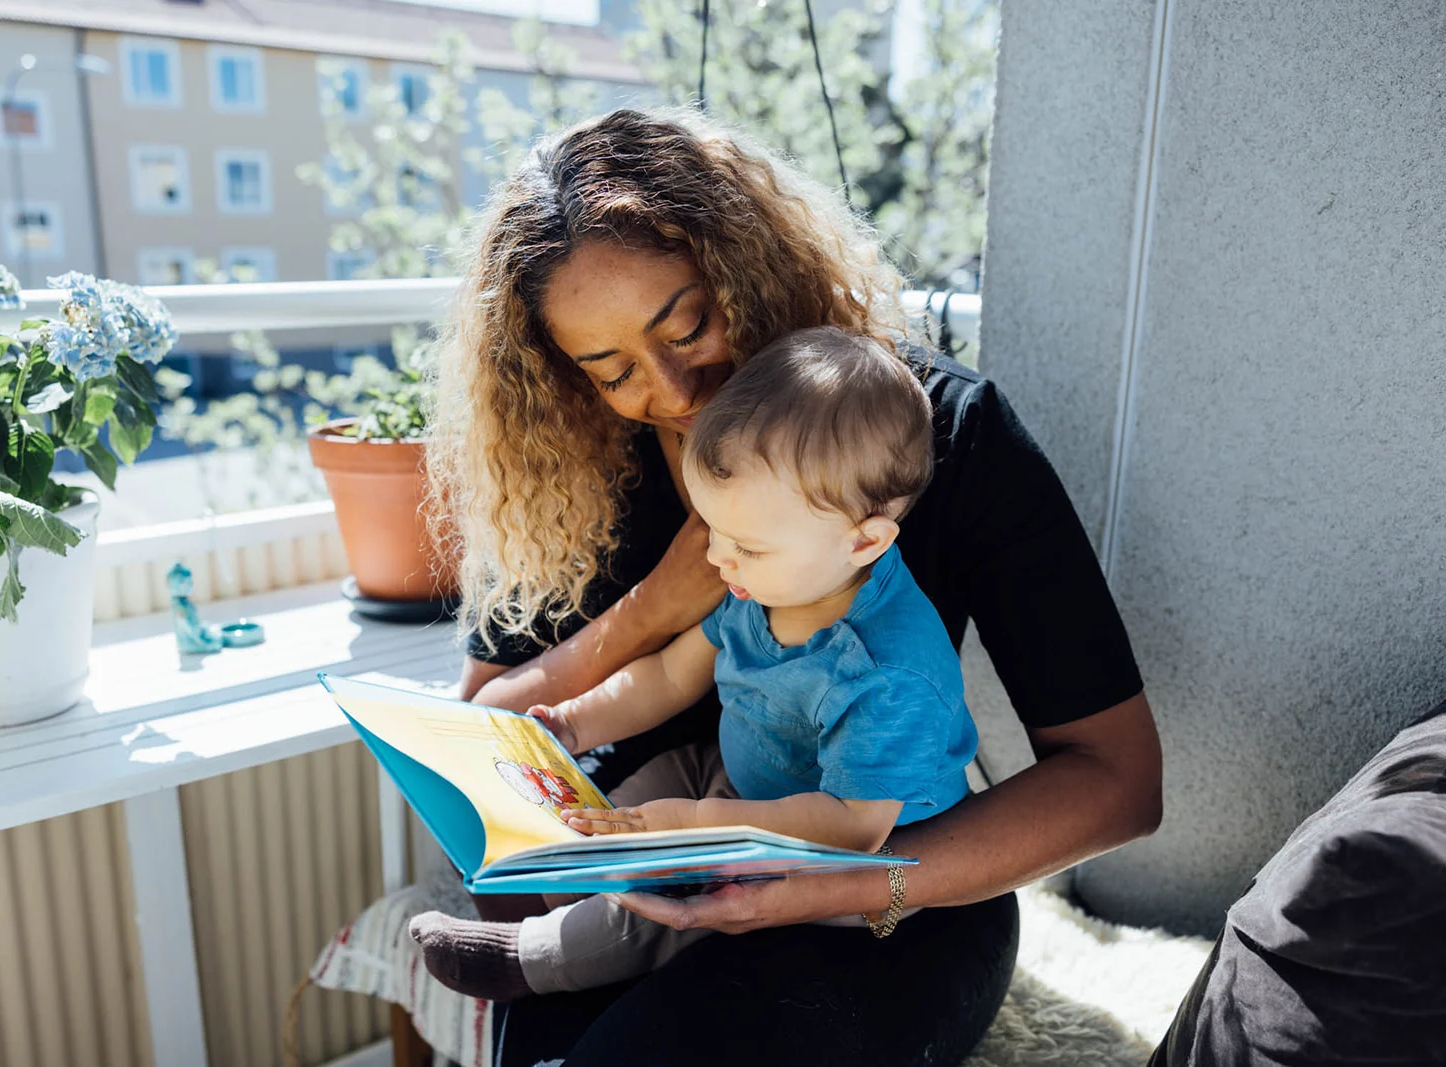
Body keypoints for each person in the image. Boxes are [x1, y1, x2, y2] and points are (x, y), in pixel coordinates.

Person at [424, 107, 1163, 1066]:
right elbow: (484, 720)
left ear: (746, 262)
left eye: (688, 324)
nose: (675, 391)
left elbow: (1119, 782)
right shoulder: (576, 461)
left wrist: (855, 883)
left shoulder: (939, 434)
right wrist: (662, 603)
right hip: (641, 866)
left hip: (889, 883)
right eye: (610, 370)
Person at [411, 327, 980, 1001]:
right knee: (632, 801)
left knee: (689, 892)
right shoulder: (766, 583)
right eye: (716, 532)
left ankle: (532, 959)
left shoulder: (891, 673)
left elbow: (854, 824)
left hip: (839, 854)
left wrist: (696, 825)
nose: (719, 560)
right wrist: (568, 723)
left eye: (747, 545)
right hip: (737, 773)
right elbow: (670, 674)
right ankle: (565, 875)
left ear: (865, 540)